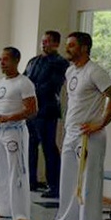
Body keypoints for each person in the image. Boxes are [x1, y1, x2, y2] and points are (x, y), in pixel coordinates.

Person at [41, 32, 111, 220]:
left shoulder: (95, 71)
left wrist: (100, 123)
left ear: (84, 48)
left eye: (71, 45)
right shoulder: (70, 71)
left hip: (89, 136)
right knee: (68, 179)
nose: (67, 49)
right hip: (72, 133)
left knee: (89, 182)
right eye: (67, 45)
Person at [0, 47, 38, 220]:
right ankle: (5, 209)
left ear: (16, 61)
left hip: (15, 132)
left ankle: (21, 214)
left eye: (5, 59)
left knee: (17, 172)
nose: (2, 63)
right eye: (0, 59)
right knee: (0, 171)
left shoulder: (24, 83)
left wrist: (9, 118)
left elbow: (32, 110)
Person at [24, 31, 69, 198]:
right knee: (30, 145)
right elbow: (24, 80)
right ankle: (30, 181)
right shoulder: (33, 61)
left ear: (56, 44)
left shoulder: (60, 63)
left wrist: (32, 93)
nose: (44, 44)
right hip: (30, 110)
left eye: (48, 41)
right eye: (43, 41)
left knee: (48, 147)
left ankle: (54, 185)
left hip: (47, 109)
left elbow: (52, 85)